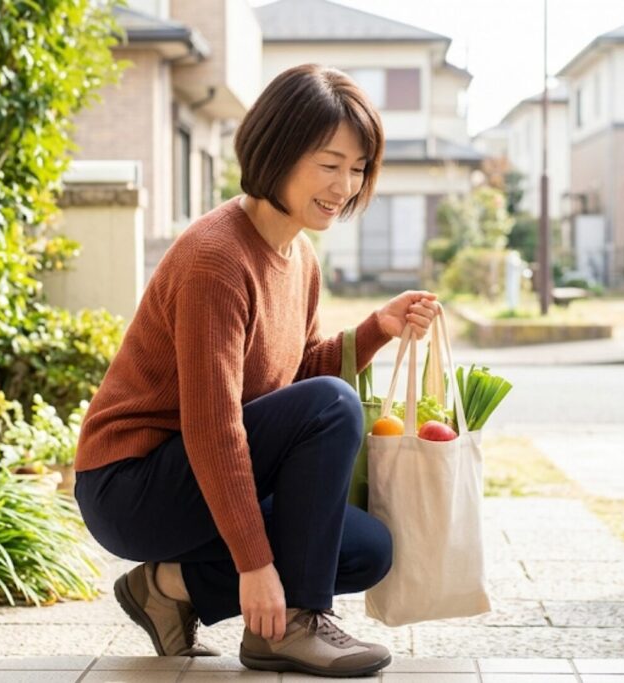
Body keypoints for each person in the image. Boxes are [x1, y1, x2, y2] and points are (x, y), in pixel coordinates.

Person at [73, 63, 439, 678]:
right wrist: (254, 566)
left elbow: (296, 381)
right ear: (279, 149)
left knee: (367, 550)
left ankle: (165, 588)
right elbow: (217, 426)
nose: (345, 185)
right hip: (132, 484)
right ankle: (292, 626)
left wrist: (380, 326)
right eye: (329, 164)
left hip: (194, 473)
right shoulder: (216, 257)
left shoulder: (299, 255)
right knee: (331, 410)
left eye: (357, 169)